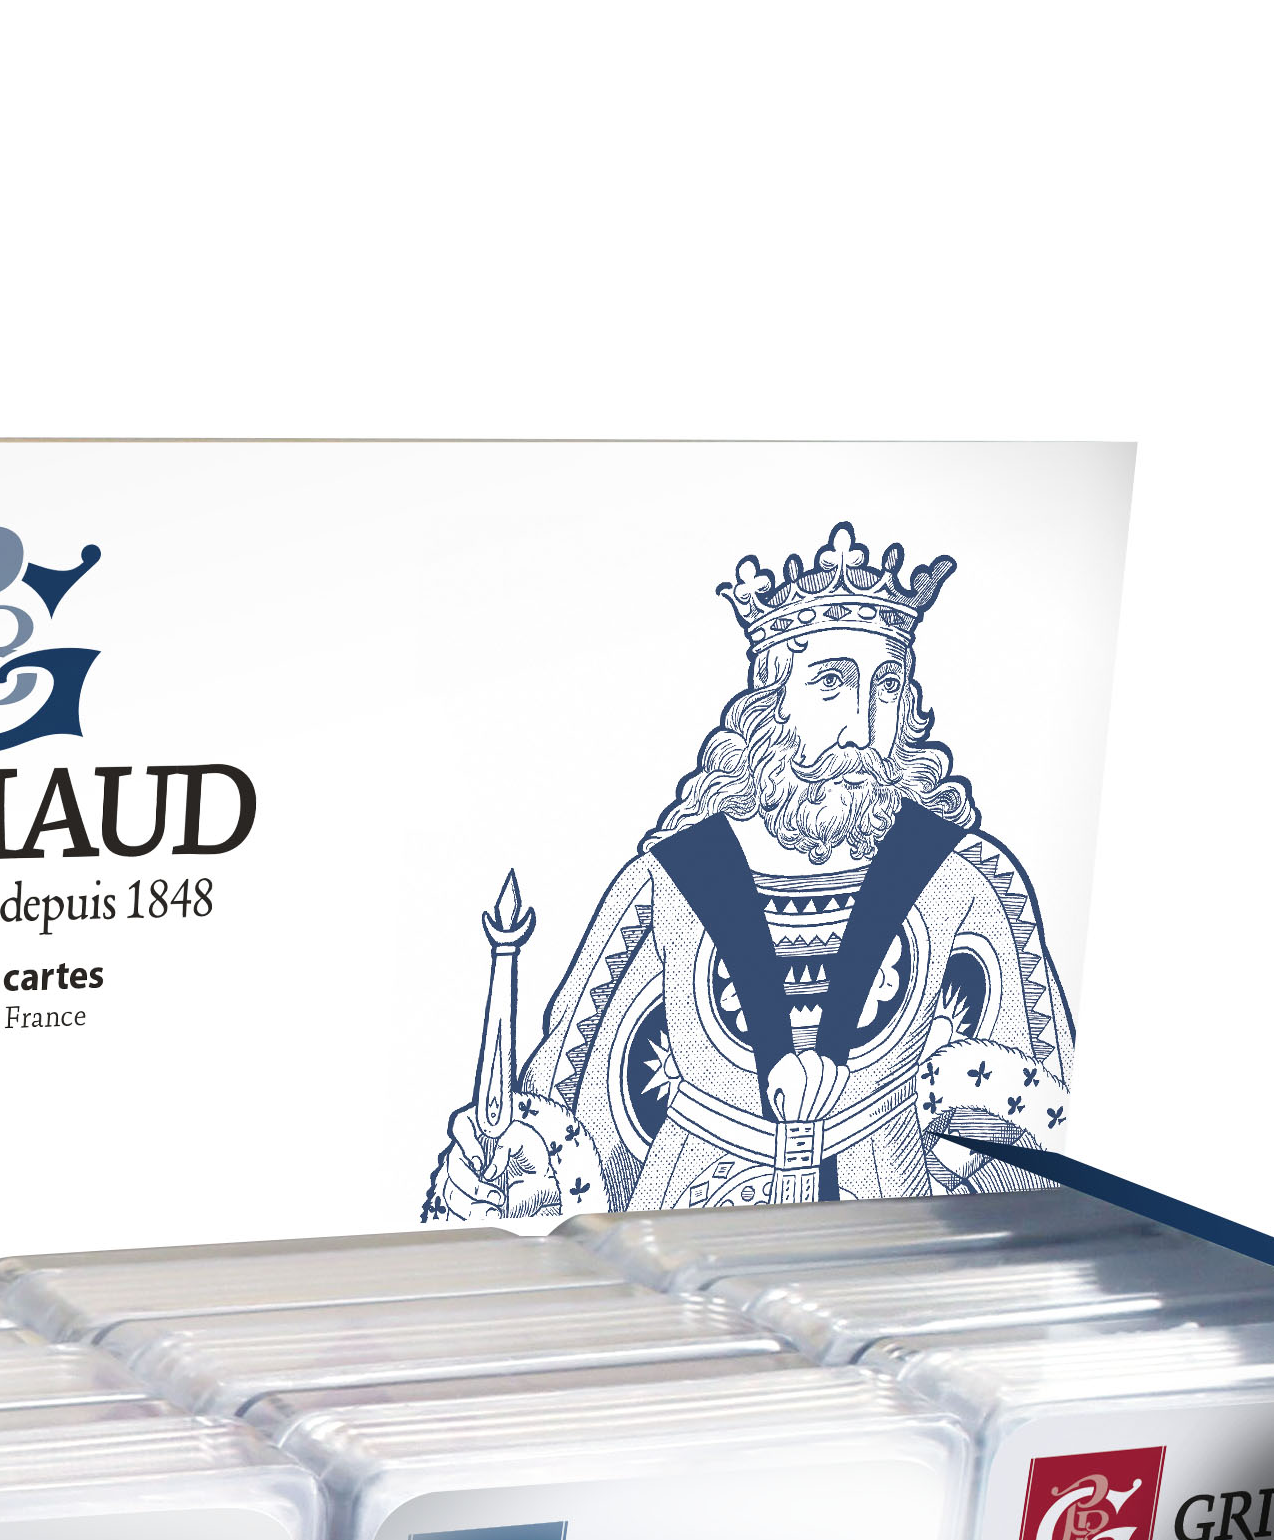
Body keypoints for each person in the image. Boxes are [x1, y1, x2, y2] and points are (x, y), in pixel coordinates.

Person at [427, 524, 1078, 1222]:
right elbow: (581, 1126)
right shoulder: (667, 888)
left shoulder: (960, 883)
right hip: (686, 1254)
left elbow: (1044, 1132)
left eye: (887, 687)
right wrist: (508, 1176)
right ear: (772, 701)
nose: (863, 726)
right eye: (831, 684)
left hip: (888, 1261)